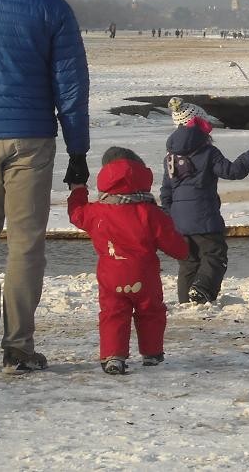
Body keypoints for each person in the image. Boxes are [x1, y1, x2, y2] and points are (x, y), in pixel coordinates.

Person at [0, 0, 90, 374]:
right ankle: (18, 346)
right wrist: (79, 151)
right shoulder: (52, 8)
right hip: (30, 139)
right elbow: (70, 86)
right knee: (25, 244)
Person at [67, 147, 188, 375]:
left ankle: (114, 357)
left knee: (113, 313)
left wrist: (78, 190)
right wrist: (186, 252)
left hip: (111, 276)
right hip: (145, 276)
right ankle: (152, 353)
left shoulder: (97, 212)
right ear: (143, 176)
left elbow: (76, 213)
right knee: (151, 311)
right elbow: (174, 244)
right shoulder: (150, 213)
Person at [160, 99, 249, 304]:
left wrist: (170, 215)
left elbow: (166, 190)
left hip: (179, 222)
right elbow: (232, 171)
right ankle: (201, 290)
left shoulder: (170, 156)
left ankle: (186, 301)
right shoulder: (208, 152)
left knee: (188, 262)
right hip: (204, 217)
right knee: (215, 255)